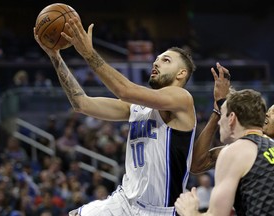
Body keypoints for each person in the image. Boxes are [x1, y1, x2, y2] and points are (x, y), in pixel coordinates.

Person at [34, 17, 197, 215]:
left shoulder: (182, 99)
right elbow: (82, 103)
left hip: (158, 210)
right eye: (157, 59)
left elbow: (124, 90)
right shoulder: (137, 107)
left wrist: (88, 53)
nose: (156, 62)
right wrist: (55, 56)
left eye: (166, 60)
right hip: (123, 202)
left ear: (181, 74)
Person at [175, 89, 274, 216]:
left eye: (221, 115)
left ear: (231, 118)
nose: (219, 121)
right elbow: (198, 164)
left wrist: (190, 211)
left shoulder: (234, 152)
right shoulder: (266, 146)